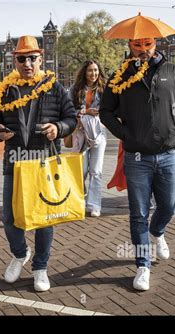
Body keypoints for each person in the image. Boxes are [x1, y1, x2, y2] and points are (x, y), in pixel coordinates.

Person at [100, 36, 175, 291]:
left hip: (167, 153)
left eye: (147, 44)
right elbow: (105, 111)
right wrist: (125, 135)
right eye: (137, 45)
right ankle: (143, 266)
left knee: (171, 206)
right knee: (138, 214)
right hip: (136, 158)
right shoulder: (119, 75)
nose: (143, 49)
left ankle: (159, 231)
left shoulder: (171, 70)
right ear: (129, 45)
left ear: (155, 43)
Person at [0, 35, 77, 292]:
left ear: (41, 59)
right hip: (14, 163)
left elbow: (71, 118)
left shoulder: (55, 88)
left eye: (32, 58)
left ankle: (40, 267)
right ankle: (20, 253)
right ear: (15, 61)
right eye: (21, 58)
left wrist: (58, 127)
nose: (27, 63)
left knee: (44, 218)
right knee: (9, 217)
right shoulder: (4, 91)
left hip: (44, 163)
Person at [68, 60, 107, 217]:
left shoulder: (104, 89)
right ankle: (79, 201)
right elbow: (68, 110)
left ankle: (95, 205)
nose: (94, 74)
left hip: (98, 134)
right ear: (84, 72)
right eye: (90, 70)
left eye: (96, 70)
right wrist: (84, 112)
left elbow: (109, 110)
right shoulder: (75, 89)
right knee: (81, 171)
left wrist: (99, 114)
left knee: (96, 171)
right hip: (80, 133)